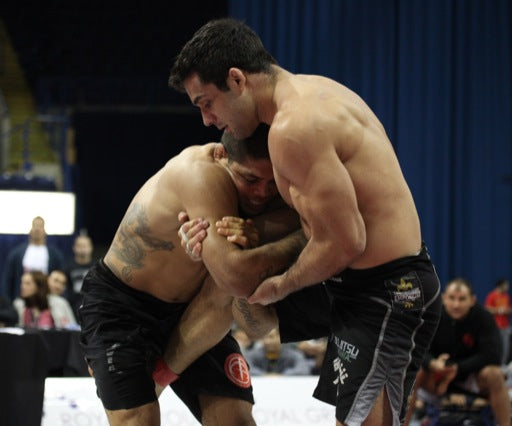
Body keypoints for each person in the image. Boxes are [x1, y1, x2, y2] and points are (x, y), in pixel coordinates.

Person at [169, 18, 442, 425]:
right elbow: (314, 222)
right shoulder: (315, 90)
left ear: (237, 79)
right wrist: (237, 235)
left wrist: (282, 285)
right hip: (361, 285)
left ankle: (160, 367)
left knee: (254, 287)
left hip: (386, 290)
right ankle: (166, 366)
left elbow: (346, 240)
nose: (206, 119)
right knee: (239, 286)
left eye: (205, 102)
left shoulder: (293, 128)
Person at [79, 125, 304, 425]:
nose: (261, 193)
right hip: (122, 304)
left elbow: (250, 322)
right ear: (222, 156)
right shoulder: (199, 172)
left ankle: (156, 376)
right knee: (138, 421)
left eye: (270, 182)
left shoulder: (277, 202)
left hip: (195, 308)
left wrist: (253, 252)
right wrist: (248, 255)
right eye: (250, 179)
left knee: (236, 421)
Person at [406, 277, 509, 426]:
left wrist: (457, 367)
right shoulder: (432, 316)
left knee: (495, 374)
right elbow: (416, 349)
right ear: (443, 298)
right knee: (413, 372)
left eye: (462, 299)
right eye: (452, 298)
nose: (456, 304)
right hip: (437, 378)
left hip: (472, 377)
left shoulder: (484, 317)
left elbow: (493, 355)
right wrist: (433, 363)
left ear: (472, 300)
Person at [1, 216, 64, 301]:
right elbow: (8, 279)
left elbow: (61, 278)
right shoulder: (16, 253)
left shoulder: (55, 255)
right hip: (22, 299)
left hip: (47, 300)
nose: (37, 229)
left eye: (40, 226)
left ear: (45, 231)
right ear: (30, 230)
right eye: (35, 226)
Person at [245, 327, 316, 376]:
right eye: (264, 338)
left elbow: (304, 369)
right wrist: (265, 375)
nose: (267, 341)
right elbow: (245, 370)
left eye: (271, 337)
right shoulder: (253, 354)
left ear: (281, 337)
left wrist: (282, 376)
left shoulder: (293, 354)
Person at [63, 233, 94, 315]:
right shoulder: (67, 268)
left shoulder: (98, 268)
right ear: (74, 248)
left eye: (85, 246)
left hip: (93, 309)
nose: (82, 249)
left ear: (91, 247)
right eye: (80, 246)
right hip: (72, 309)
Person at [484, 278, 511, 364]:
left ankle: (503, 365)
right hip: (495, 326)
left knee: (505, 347)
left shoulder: (506, 296)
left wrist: (507, 310)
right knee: (495, 346)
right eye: (506, 285)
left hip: (505, 326)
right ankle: (495, 364)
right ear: (501, 285)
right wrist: (498, 310)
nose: (507, 287)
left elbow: (509, 308)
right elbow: (487, 309)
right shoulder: (492, 295)